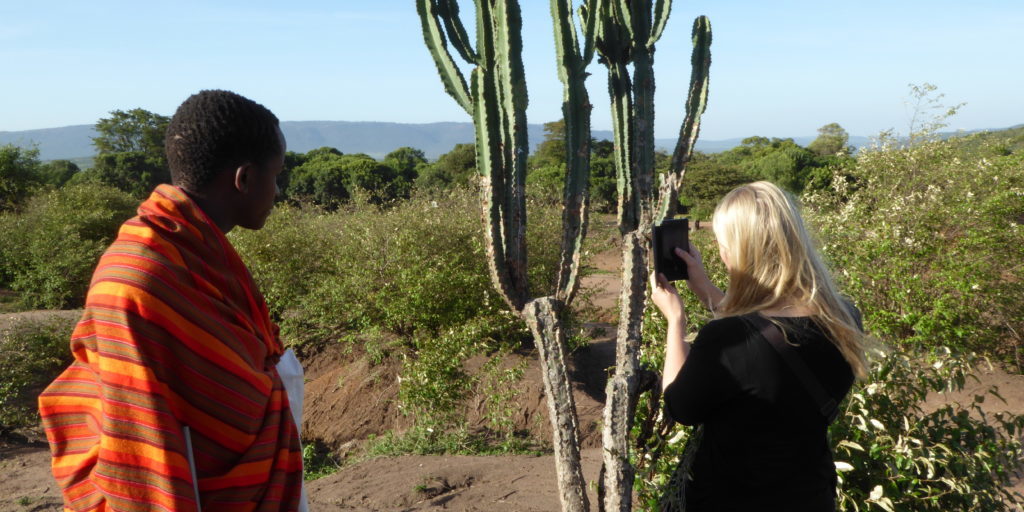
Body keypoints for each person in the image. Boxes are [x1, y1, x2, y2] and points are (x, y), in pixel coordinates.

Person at [39, 90, 304, 511]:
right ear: (245, 178)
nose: (278, 191)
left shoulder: (191, 256)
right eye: (277, 175)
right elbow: (142, 428)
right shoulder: (142, 278)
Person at [651, 181, 867, 512]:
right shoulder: (844, 316)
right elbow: (767, 334)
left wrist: (675, 321)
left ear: (736, 253)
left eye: (725, 246)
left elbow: (679, 406)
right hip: (811, 497)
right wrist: (706, 290)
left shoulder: (726, 339)